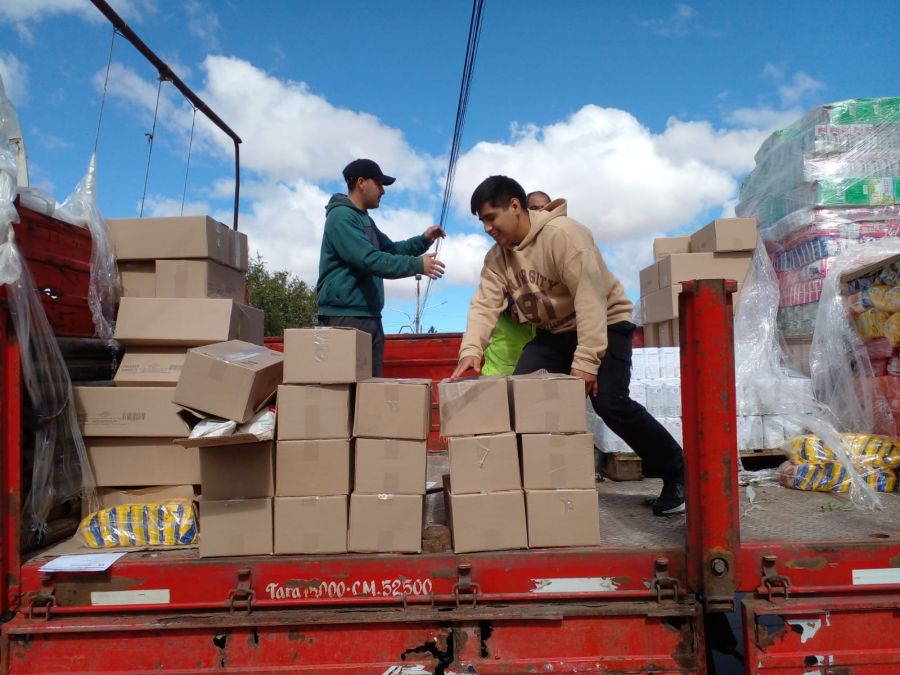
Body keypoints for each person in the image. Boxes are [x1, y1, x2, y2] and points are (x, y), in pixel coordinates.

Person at [450, 175, 685, 515]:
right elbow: (484, 305)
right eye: (481, 221)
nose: (487, 228)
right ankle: (529, 485)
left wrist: (586, 362)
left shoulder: (566, 236)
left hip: (606, 321)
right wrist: (471, 351)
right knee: (523, 394)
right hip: (556, 332)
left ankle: (677, 471)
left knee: (609, 402)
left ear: (514, 206)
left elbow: (590, 300)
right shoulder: (497, 259)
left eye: (490, 218)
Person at [316, 158, 445, 376]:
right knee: (345, 389)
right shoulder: (341, 216)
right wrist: (417, 265)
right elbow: (369, 259)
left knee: (369, 389)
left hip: (368, 316)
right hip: (345, 317)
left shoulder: (364, 220)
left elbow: (391, 250)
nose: (383, 191)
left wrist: (424, 240)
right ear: (361, 182)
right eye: (379, 184)